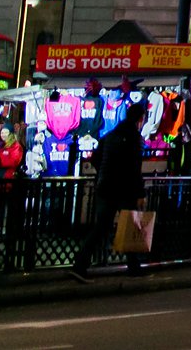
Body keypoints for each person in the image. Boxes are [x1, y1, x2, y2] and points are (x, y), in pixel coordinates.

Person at [72, 101, 149, 282]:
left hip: (106, 186)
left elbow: (96, 157)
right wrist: (140, 193)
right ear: (140, 119)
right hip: (123, 188)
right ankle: (133, 266)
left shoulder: (111, 134)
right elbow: (134, 167)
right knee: (130, 224)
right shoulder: (134, 138)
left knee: (101, 227)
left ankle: (80, 263)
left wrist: (104, 173)